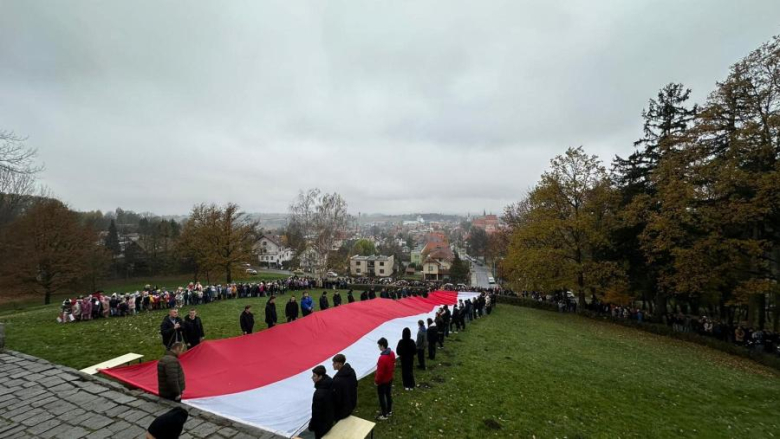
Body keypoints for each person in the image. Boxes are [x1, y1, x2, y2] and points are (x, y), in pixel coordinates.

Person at [308, 365, 335, 439]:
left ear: (320, 377)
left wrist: (312, 425)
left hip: (321, 425)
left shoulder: (319, 393)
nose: (312, 378)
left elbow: (316, 412)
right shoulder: (330, 382)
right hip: (329, 419)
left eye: (314, 376)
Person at [331, 353, 358, 421]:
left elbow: (337, 398)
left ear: (340, 364)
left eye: (334, 363)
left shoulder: (337, 380)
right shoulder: (351, 371)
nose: (333, 364)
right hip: (351, 403)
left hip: (342, 411)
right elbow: (355, 384)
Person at [374, 337, 395, 421]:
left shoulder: (382, 358)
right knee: (388, 394)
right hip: (389, 378)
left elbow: (380, 373)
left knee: (382, 397)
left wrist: (376, 381)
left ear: (382, 346)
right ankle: (389, 410)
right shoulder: (392, 353)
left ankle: (384, 414)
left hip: (382, 382)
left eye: (379, 346)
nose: (378, 347)